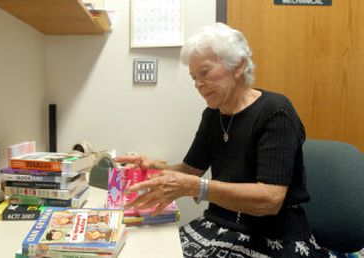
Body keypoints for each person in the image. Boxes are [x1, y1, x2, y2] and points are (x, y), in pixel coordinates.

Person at [115, 23, 330, 257]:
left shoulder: (275, 112)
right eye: (193, 77)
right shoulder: (212, 115)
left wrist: (197, 187)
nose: (197, 84)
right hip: (219, 224)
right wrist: (154, 169)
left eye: (204, 73)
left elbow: (270, 199)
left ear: (238, 66)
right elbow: (190, 171)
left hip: (274, 236)